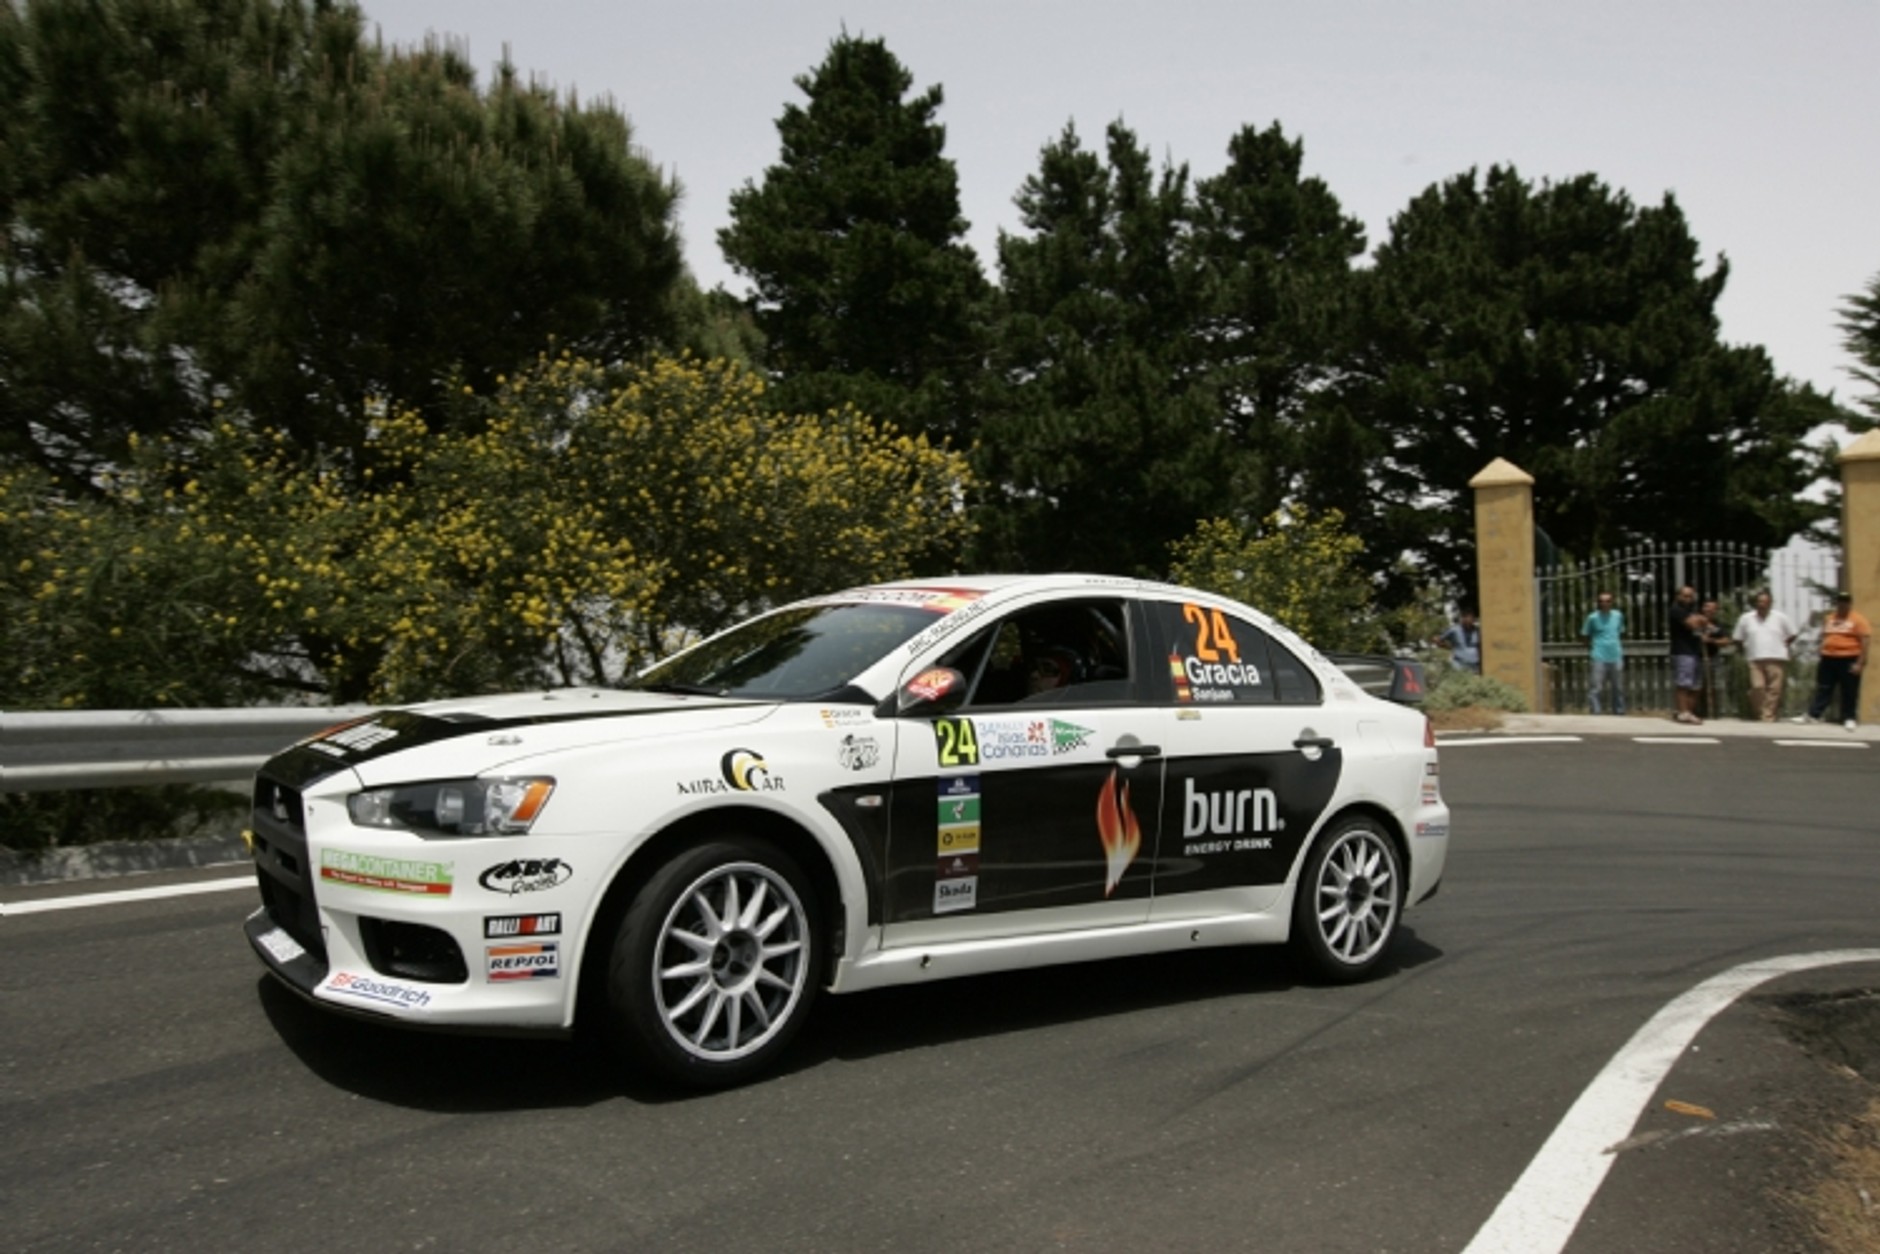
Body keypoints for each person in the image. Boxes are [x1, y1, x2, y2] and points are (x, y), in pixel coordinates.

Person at [1797, 591, 1871, 730]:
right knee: (1824, 687)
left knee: (1849, 690)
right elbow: (1824, 636)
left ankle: (1849, 717)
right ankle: (1814, 714)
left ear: (1849, 603)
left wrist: (1860, 662)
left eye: (1845, 601)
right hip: (1828, 658)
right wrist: (1820, 649)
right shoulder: (1830, 618)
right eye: (1840, 601)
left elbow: (1865, 641)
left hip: (1849, 657)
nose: (1842, 604)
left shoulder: (1858, 620)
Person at [1729, 591, 1798, 722]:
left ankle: (1767, 716)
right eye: (1759, 602)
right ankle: (1760, 712)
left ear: (1770, 603)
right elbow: (1737, 638)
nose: (1762, 605)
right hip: (1755, 657)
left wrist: (1784, 644)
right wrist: (1744, 649)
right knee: (1757, 687)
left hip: (1776, 656)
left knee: (1774, 689)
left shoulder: (1780, 617)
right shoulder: (1746, 618)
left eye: (1765, 602)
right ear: (1756, 603)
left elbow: (1793, 633)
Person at [1579, 591, 1625, 715]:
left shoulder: (1618, 615)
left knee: (1618, 687)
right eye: (1602, 601)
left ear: (1612, 602)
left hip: (1615, 655)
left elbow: (1620, 631)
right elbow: (1584, 635)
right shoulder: (1592, 617)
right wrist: (1592, 647)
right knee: (1596, 687)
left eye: (1607, 601)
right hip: (1599, 655)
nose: (1604, 603)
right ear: (1598, 603)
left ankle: (1619, 712)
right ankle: (1596, 712)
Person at [1667, 585, 1708, 724]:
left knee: (1696, 685)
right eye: (1685, 596)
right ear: (1678, 596)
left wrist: (1701, 620)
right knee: (1683, 684)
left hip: (1694, 651)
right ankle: (1683, 712)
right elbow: (1693, 624)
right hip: (1682, 651)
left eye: (1690, 596)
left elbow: (1705, 624)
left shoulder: (1690, 611)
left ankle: (1685, 712)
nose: (1688, 599)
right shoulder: (1676, 610)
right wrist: (1700, 620)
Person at [1699, 598, 1734, 718]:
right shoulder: (1696, 622)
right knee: (1698, 687)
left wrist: (1711, 640)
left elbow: (1725, 640)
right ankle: (1698, 711)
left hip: (1713, 657)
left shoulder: (1718, 625)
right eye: (1707, 607)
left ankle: (1713, 712)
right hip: (1698, 658)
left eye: (1712, 608)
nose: (1709, 610)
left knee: (1714, 686)